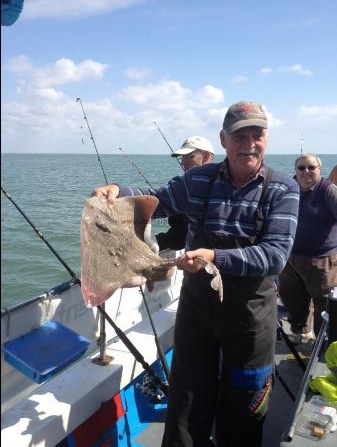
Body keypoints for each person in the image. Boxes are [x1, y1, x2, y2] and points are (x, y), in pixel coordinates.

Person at [92, 101, 300, 447]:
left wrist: (214, 256)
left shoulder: (282, 189)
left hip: (250, 317)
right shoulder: (198, 179)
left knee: (244, 410)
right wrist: (120, 191)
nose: (249, 142)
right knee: (186, 407)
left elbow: (274, 256)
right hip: (198, 312)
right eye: (239, 135)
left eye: (257, 134)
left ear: (267, 138)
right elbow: (156, 200)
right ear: (223, 139)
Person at [279, 154, 337, 344]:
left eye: (311, 167)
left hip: (322, 260)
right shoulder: (289, 189)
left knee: (324, 304)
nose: (306, 172)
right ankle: (301, 332)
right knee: (293, 298)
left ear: (320, 170)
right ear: (295, 171)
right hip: (291, 258)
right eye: (301, 168)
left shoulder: (328, 191)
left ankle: (323, 342)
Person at [156, 136, 214, 251]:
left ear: (206, 157)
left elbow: (178, 238)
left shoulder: (216, 190)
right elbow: (156, 198)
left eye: (188, 157)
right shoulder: (183, 188)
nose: (183, 163)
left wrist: (152, 242)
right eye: (182, 158)